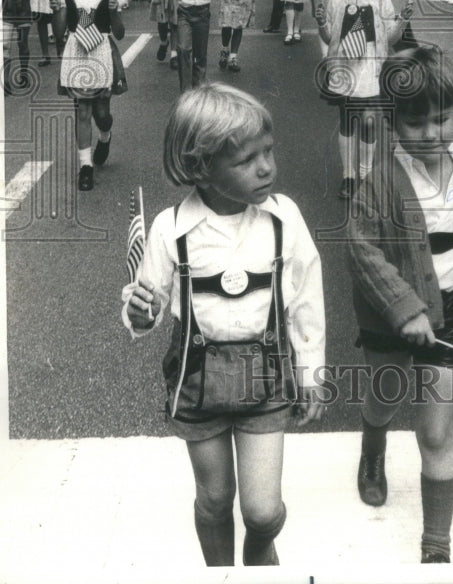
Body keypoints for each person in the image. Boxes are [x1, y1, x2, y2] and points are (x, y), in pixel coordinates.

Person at [121, 84, 326, 567]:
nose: (266, 167)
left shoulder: (283, 218)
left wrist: (312, 370)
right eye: (247, 160)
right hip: (197, 380)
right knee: (214, 500)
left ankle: (259, 547)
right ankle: (221, 574)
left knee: (262, 509)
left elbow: (306, 297)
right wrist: (139, 313)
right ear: (201, 169)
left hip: (266, 376)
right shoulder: (170, 229)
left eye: (268, 152)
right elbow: (147, 303)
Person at [348, 46, 453, 564]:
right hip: (389, 311)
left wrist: (447, 295)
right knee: (385, 395)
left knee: (437, 430)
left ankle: (436, 546)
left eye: (440, 119)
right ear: (393, 120)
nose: (430, 133)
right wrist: (405, 308)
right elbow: (361, 251)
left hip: (448, 311)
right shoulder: (379, 181)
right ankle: (372, 450)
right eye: (415, 122)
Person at [315, 0, 413, 199]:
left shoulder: (382, 2)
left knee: (369, 121)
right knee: (348, 122)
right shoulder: (337, 1)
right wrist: (321, 22)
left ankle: (365, 174)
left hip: (371, 69)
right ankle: (348, 176)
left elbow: (391, 38)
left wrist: (402, 21)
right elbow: (329, 37)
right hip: (345, 70)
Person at [50, 0, 126, 191]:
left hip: (101, 56)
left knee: (102, 115)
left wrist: (114, 11)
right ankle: (85, 167)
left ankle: (105, 135)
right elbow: (60, 33)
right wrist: (56, 12)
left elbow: (120, 32)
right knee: (82, 112)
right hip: (77, 56)